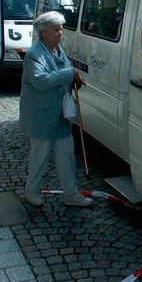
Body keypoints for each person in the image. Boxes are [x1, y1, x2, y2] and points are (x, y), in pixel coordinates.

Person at [20, 11, 93, 208]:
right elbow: (40, 80)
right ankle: (31, 191)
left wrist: (74, 80)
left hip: (59, 114)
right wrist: (69, 73)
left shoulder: (57, 50)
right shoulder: (34, 54)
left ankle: (71, 193)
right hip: (41, 116)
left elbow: (63, 76)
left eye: (61, 29)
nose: (60, 33)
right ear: (43, 32)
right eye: (56, 30)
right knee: (40, 157)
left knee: (66, 155)